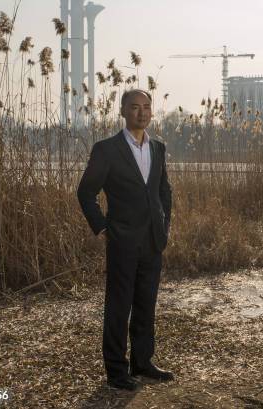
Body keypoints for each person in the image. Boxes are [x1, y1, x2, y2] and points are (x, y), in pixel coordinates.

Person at [77, 89, 173, 391]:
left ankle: (142, 362)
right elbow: (85, 192)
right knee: (119, 306)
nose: (141, 113)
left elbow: (163, 192)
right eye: (134, 107)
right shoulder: (106, 149)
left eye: (146, 107)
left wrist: (164, 226)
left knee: (146, 303)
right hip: (122, 240)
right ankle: (116, 371)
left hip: (153, 240)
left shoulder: (158, 147)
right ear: (122, 111)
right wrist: (102, 227)